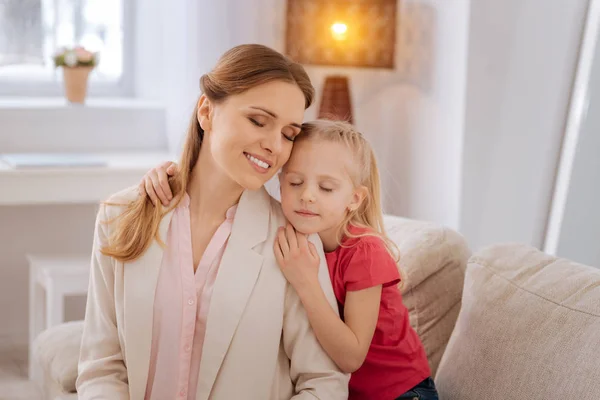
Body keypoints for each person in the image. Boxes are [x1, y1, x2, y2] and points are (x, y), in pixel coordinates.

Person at [76, 44, 349, 400]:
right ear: (207, 111)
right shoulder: (119, 215)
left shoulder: (293, 242)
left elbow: (324, 382)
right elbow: (101, 366)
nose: (274, 145)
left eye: (288, 134)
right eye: (258, 120)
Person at [142, 120, 438, 400]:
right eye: (295, 182)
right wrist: (171, 174)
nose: (307, 196)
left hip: (401, 392)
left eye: (326, 188)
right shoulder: (286, 232)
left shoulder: (365, 252)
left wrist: (307, 283)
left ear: (355, 199)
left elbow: (351, 357)